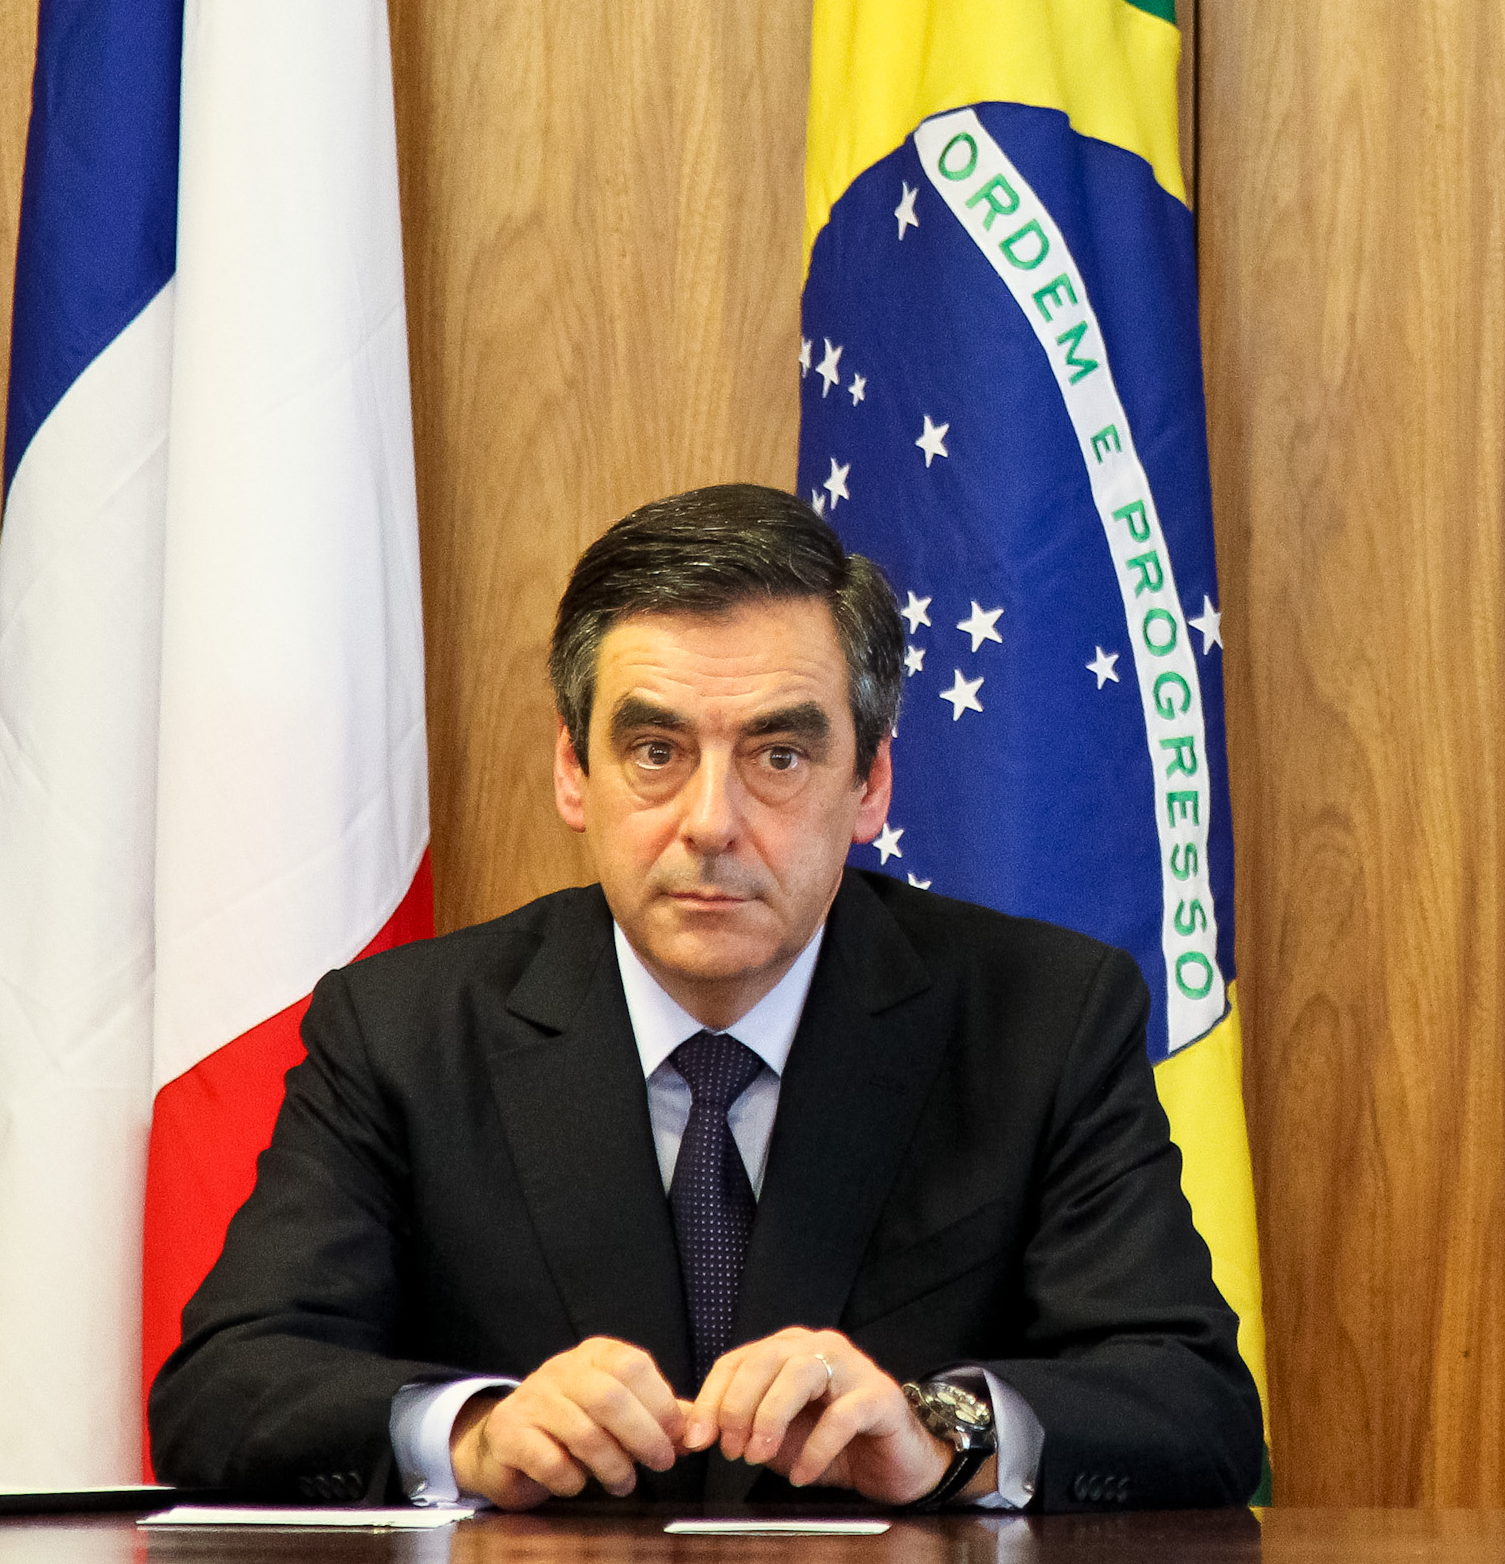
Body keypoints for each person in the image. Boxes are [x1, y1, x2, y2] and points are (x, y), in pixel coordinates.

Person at [150, 484, 1264, 1512]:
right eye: (653, 750)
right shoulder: (401, 1032)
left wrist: (943, 1432)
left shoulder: (1042, 1019)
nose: (711, 823)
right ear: (572, 773)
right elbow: (222, 1393)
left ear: (869, 782)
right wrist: (471, 1432)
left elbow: (1193, 1407)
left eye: (778, 756)